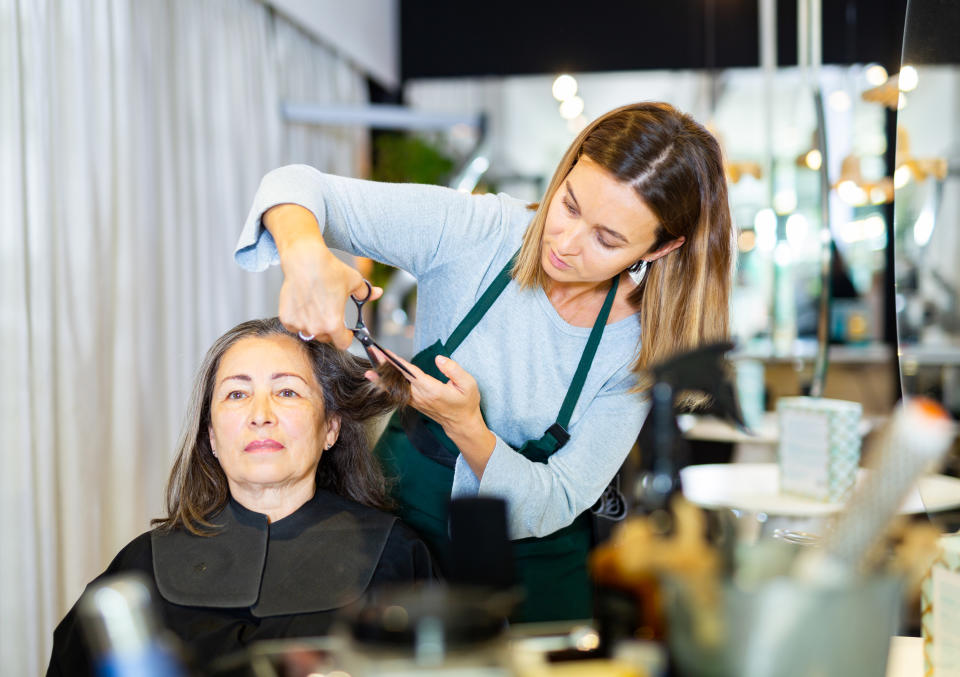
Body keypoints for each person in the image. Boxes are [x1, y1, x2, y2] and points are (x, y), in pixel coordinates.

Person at [234, 102, 734, 621]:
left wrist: (466, 425)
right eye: (568, 205)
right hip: (399, 536)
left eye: (606, 239)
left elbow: (559, 497)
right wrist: (305, 256)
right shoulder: (480, 234)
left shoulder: (641, 346)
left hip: (536, 574)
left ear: (659, 248)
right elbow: (294, 185)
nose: (564, 243)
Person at [48, 318, 434, 676]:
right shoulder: (141, 567)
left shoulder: (395, 555)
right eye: (236, 394)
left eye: (286, 391)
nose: (260, 414)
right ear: (212, 437)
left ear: (330, 429)